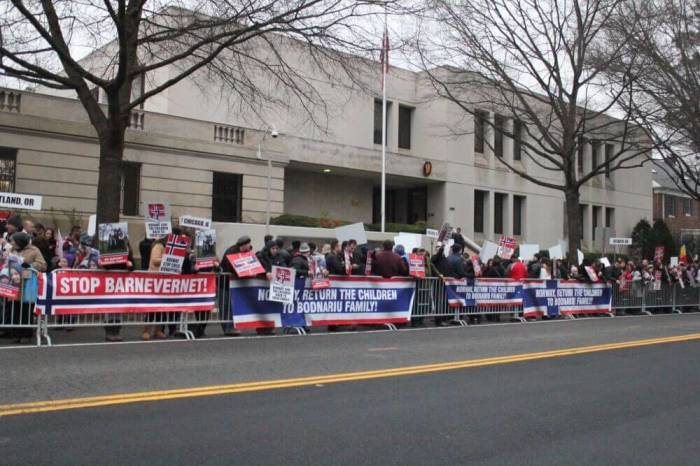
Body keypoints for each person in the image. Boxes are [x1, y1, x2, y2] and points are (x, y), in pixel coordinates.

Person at [7, 232, 46, 343]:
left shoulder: (34, 250)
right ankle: (15, 333)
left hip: (27, 283)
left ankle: (26, 334)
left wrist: (29, 265)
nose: (12, 243)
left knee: (26, 310)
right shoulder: (12, 250)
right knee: (14, 309)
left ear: (19, 241)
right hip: (13, 282)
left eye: (13, 241)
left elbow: (43, 265)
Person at [142, 235, 168, 340]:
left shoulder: (164, 246)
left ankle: (158, 330)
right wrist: (168, 259)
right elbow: (155, 260)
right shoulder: (158, 245)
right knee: (152, 307)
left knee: (161, 307)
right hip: (155, 280)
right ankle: (146, 330)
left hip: (162, 280)